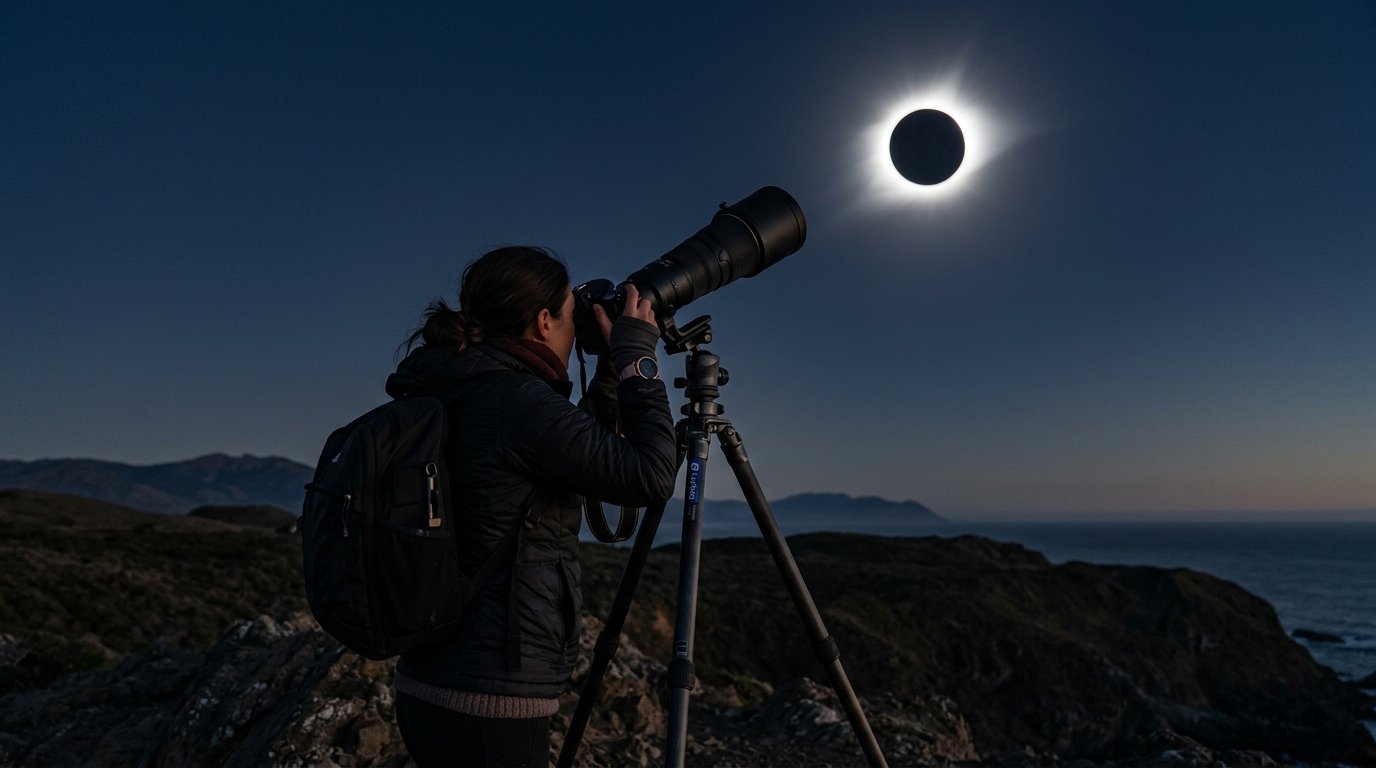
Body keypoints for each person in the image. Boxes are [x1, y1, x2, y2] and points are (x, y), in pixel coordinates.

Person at [384, 246, 677, 768]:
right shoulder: (515, 401)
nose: (576, 328)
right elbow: (651, 475)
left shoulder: (462, 385)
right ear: (544, 322)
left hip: (431, 681)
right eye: (570, 314)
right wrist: (640, 360)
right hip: (489, 702)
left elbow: (566, 452)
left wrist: (610, 377)